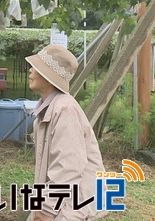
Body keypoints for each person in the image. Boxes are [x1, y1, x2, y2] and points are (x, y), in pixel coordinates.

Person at [25, 44, 108, 221]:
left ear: (49, 77)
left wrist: (47, 209)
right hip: (63, 203)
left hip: (72, 205)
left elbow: (68, 166)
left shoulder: (65, 109)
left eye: (37, 67)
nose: (31, 70)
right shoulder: (48, 107)